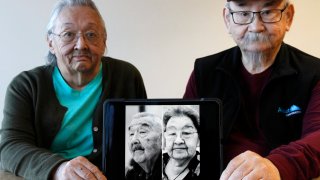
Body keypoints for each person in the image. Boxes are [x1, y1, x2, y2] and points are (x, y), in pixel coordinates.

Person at [0, 0, 147, 179]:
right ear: (50, 42)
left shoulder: (127, 76)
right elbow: (9, 147)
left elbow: (141, 130)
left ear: (104, 40)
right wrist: (59, 169)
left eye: (91, 34)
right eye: (68, 34)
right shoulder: (26, 86)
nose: (81, 45)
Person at [184, 0, 320, 179]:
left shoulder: (314, 73)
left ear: (288, 17)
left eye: (268, 12)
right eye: (243, 13)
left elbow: (317, 137)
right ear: (227, 19)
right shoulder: (204, 71)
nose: (256, 27)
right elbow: (185, 128)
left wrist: (276, 166)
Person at [162, 106, 200, 180]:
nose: (178, 141)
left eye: (186, 133)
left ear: (198, 139)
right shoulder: (157, 162)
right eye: (172, 133)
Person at [125, 112, 162, 180]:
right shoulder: (131, 174)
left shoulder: (171, 173)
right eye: (131, 134)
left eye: (142, 132)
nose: (134, 140)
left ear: (162, 139)